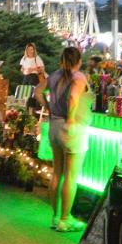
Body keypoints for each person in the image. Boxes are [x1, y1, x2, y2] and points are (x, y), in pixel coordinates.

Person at [36, 47, 92, 232]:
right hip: (71, 128)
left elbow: (37, 92)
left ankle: (55, 216)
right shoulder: (78, 77)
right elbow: (74, 98)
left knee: (57, 173)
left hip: (54, 126)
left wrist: (49, 107)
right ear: (79, 61)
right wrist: (70, 117)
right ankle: (65, 219)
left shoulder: (54, 75)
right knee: (71, 176)